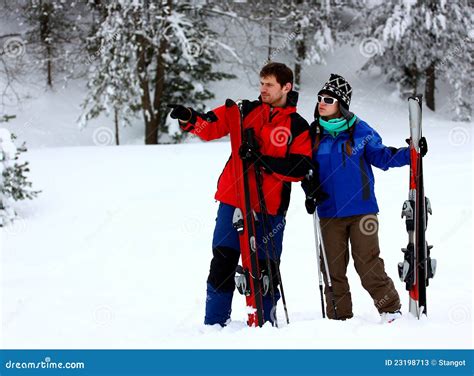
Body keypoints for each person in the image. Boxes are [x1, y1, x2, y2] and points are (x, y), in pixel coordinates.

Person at [168, 62, 312, 326]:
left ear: (286, 87)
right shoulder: (245, 110)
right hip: (233, 199)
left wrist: (260, 159)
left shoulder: (298, 125)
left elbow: (300, 168)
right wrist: (189, 118)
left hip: (270, 206)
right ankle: (214, 324)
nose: (263, 89)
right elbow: (210, 126)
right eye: (261, 83)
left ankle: (265, 323)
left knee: (265, 267)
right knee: (222, 261)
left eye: (269, 85)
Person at [302, 73, 427, 323]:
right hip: (328, 213)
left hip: (362, 211)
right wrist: (309, 188)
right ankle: (339, 317)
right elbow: (304, 167)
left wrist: (411, 153)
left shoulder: (360, 130)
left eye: (328, 99)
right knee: (332, 269)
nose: (321, 103)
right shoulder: (313, 134)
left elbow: (382, 157)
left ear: (342, 104)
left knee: (368, 264)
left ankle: (390, 310)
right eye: (319, 98)